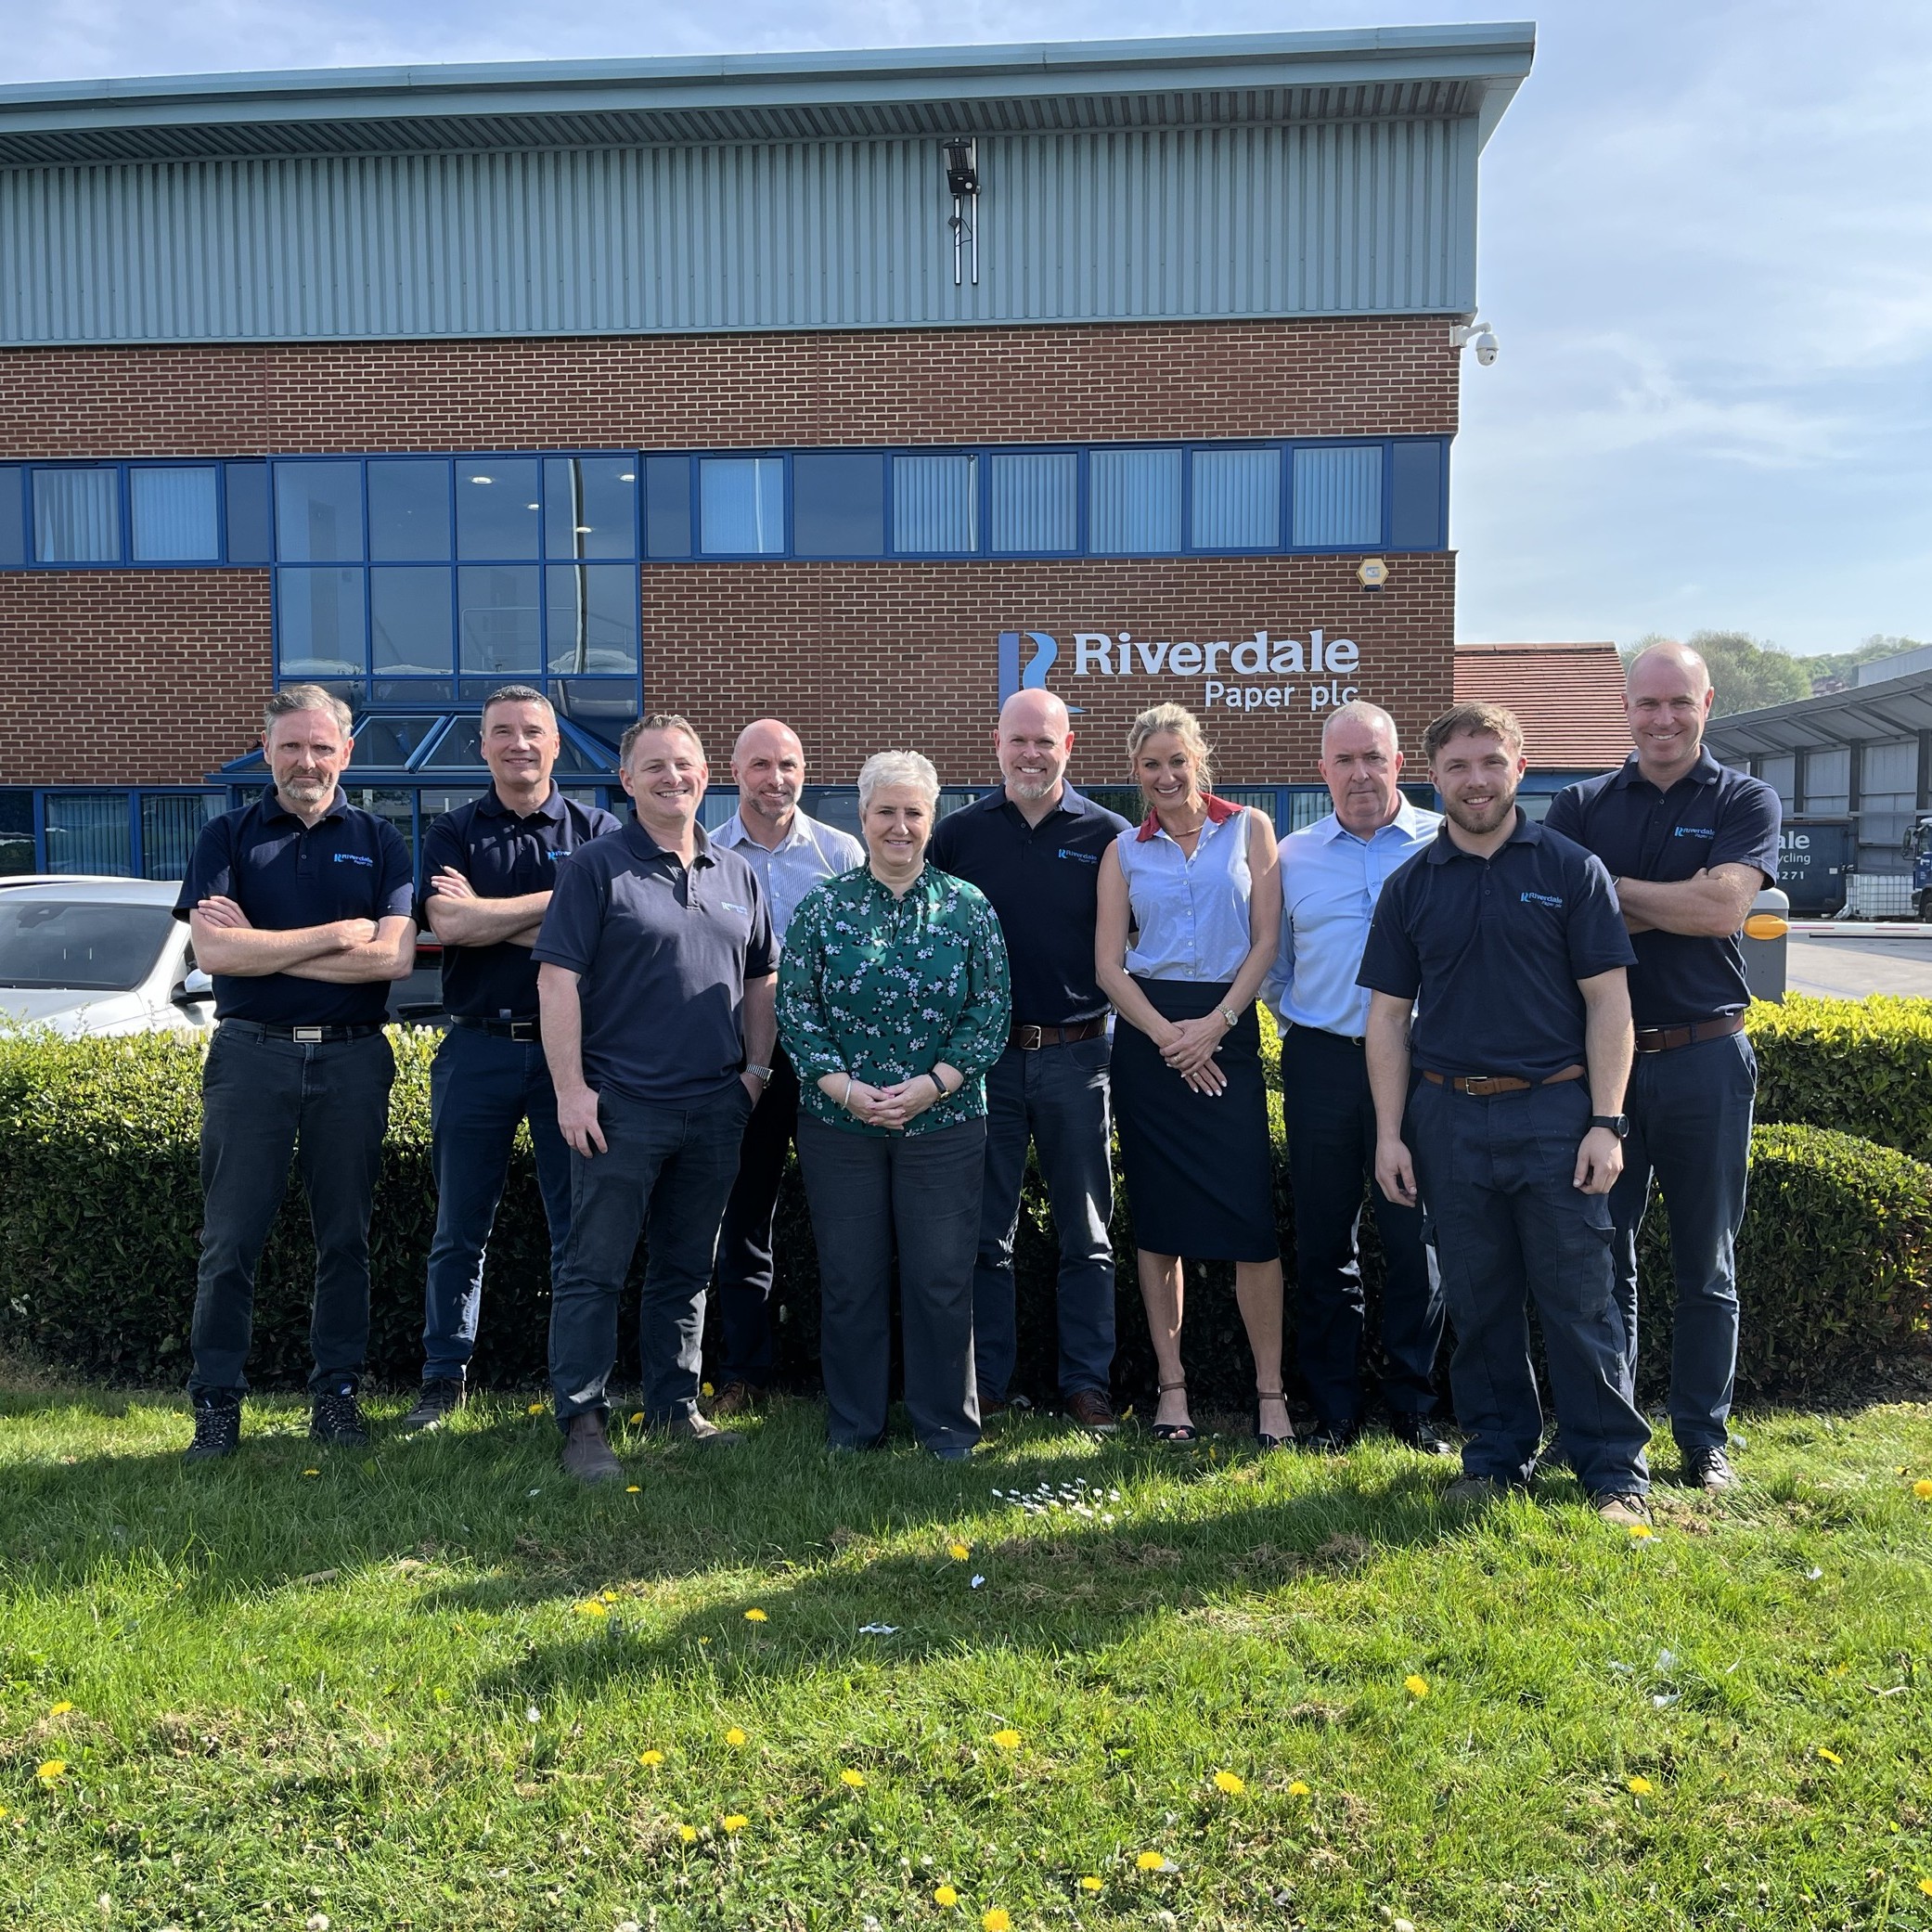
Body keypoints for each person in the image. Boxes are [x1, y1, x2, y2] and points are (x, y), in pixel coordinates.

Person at [1358, 702, 1653, 1526]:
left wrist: (1607, 1120)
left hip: (1559, 1118)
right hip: (1448, 1120)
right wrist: (1390, 1133)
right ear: (1434, 777)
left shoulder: (1571, 870)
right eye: (1457, 766)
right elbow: (1387, 1019)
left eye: (1491, 762)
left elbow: (1610, 1006)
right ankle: (1495, 1457)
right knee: (1480, 1304)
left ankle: (1613, 1475)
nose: (1475, 780)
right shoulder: (1410, 884)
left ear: (1520, 768)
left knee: (1582, 1302)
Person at [1544, 640, 1782, 1492]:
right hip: (1603, 1069)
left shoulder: (1745, 798)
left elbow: (1722, 908)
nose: (1663, 719)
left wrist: (1605, 890)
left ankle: (1702, 1437)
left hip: (1706, 1059)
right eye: (1647, 704)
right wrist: (1667, 897)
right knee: (1601, 1261)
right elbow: (1560, 925)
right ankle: (1609, 1433)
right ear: (1626, 709)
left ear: (1707, 704)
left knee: (1706, 1259)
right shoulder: (1579, 802)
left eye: (1679, 702)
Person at [533, 714, 777, 1482]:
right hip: (620, 1108)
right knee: (592, 1269)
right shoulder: (596, 868)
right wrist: (571, 1092)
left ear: (707, 776)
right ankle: (581, 1419)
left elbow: (763, 979)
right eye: (656, 767)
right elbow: (556, 981)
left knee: (686, 1267)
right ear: (628, 781)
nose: (674, 777)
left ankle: (676, 1406)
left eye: (686, 765)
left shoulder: (737, 873)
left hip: (715, 1105)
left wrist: (756, 1074)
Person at [174, 685, 417, 1461]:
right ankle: (216, 1404)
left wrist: (270, 946)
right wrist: (334, 936)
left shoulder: (382, 840)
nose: (305, 761)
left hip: (353, 1059)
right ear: (268, 751)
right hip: (251, 1054)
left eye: (321, 747)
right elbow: (214, 956)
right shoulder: (227, 836)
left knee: (345, 1237)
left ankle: (337, 1396)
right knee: (229, 1239)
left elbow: (393, 959)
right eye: (290, 747)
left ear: (345, 752)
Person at [777, 750, 1011, 1458]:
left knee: (941, 1278)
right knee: (852, 1278)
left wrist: (933, 1084)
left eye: (913, 812)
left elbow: (990, 1009)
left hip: (943, 1122)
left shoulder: (968, 908)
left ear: (931, 820)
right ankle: (855, 1426)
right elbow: (797, 1008)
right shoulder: (823, 907)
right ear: (864, 816)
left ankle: (945, 1428)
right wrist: (842, 1089)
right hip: (839, 1127)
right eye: (886, 812)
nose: (899, 826)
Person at [405, 686, 620, 1430]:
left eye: (533, 731)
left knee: (579, 1229)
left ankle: (579, 1384)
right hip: (477, 1051)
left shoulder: (598, 826)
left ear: (556, 743)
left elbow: (604, 943)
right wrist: (559, 900)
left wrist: (489, 917)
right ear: (483, 746)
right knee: (459, 1227)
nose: (518, 744)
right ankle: (442, 1378)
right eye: (503, 733)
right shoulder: (453, 830)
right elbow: (449, 926)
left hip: (574, 1060)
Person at [930, 689, 1131, 1430]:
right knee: (986, 1234)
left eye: (1044, 742)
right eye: (1018, 741)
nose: (1030, 754)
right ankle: (990, 1382)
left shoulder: (1109, 835)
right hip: (985, 1063)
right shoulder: (958, 836)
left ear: (1068, 745)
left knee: (1088, 1232)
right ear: (996, 744)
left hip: (1081, 1058)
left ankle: (1087, 1385)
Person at [1095, 703, 1290, 1449]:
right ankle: (1171, 1390)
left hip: (1228, 1027)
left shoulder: (1249, 830)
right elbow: (1108, 965)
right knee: (1160, 1223)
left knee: (1250, 1225)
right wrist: (1168, 1036)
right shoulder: (1123, 851)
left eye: (1178, 760)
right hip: (1151, 1038)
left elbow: (1267, 939)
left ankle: (1268, 1394)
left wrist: (1215, 1026)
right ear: (1136, 773)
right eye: (1152, 765)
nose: (1167, 776)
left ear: (1199, 759)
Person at [1264, 700, 1449, 1454]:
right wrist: (1316, 1022)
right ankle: (1334, 1412)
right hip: (1324, 1066)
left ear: (1400, 763)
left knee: (1416, 1244)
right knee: (1324, 1243)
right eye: (1344, 760)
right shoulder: (1291, 856)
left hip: (1426, 1070)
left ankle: (1413, 1407)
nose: (1361, 773)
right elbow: (1274, 970)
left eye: (1374, 757)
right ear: (1323, 772)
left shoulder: (1446, 844)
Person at [708, 719, 864, 1414]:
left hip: (835, 1065)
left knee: (847, 1221)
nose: (776, 778)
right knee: (744, 1219)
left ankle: (848, 1376)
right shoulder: (705, 855)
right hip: (748, 1066)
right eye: (761, 765)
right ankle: (745, 1372)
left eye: (789, 765)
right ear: (733, 772)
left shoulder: (842, 854)